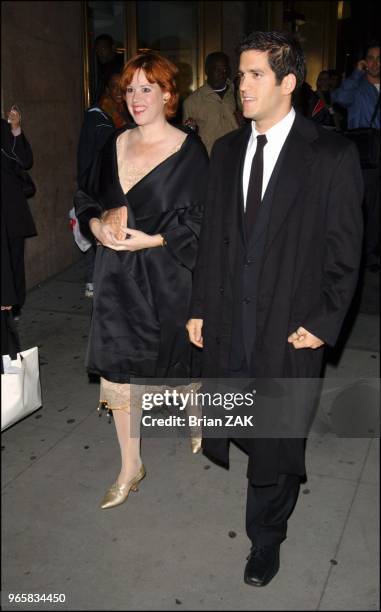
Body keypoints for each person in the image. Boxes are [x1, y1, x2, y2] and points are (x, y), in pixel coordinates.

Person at [187, 31, 363, 587]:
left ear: (288, 82)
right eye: (240, 75)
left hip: (290, 325)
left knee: (276, 440)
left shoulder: (331, 154)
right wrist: (199, 308)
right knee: (237, 416)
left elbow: (344, 251)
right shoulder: (226, 152)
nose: (242, 85)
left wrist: (325, 321)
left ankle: (267, 539)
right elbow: (214, 239)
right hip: (231, 320)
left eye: (255, 75)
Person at [74, 50, 208, 509]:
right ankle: (131, 466)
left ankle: (194, 410)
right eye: (130, 88)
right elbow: (85, 196)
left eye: (146, 88)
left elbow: (203, 221)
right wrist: (95, 227)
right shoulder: (113, 142)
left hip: (169, 275)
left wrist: (152, 241)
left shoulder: (190, 151)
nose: (136, 97)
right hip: (116, 277)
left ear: (168, 94)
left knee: (179, 361)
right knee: (119, 373)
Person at [332, 44, 380, 269]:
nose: (374, 63)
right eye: (370, 58)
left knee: (376, 209)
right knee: (360, 206)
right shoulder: (357, 86)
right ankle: (355, 252)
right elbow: (339, 98)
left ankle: (370, 252)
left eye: (379, 59)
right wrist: (356, 73)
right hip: (363, 154)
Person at [76, 99, 115, 298]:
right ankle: (93, 279)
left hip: (105, 188)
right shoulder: (96, 120)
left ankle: (97, 279)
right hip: (96, 189)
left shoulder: (112, 118)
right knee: (94, 235)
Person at [1, 108, 37, 320]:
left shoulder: (5, 130)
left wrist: (15, 129)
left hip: (9, 209)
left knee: (13, 260)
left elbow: (25, 161)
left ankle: (14, 307)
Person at [183, 52, 241, 154]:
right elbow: (187, 139)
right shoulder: (192, 101)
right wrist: (192, 130)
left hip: (236, 156)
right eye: (217, 69)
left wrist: (245, 121)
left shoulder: (238, 93)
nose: (222, 73)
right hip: (210, 161)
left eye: (224, 69)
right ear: (207, 70)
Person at [92, 34, 124, 104]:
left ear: (112, 47)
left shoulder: (121, 64)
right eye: (97, 49)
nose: (100, 53)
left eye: (103, 49)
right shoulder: (95, 65)